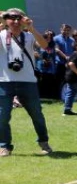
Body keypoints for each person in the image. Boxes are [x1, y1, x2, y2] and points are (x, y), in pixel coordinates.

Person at [0, 8, 53, 156]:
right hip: (5, 81)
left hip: (27, 81)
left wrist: (31, 27)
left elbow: (44, 45)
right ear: (6, 20)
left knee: (37, 114)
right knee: (2, 116)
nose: (15, 22)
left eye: (19, 18)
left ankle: (44, 142)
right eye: (11, 18)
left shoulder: (29, 36)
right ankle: (4, 146)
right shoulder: (2, 35)